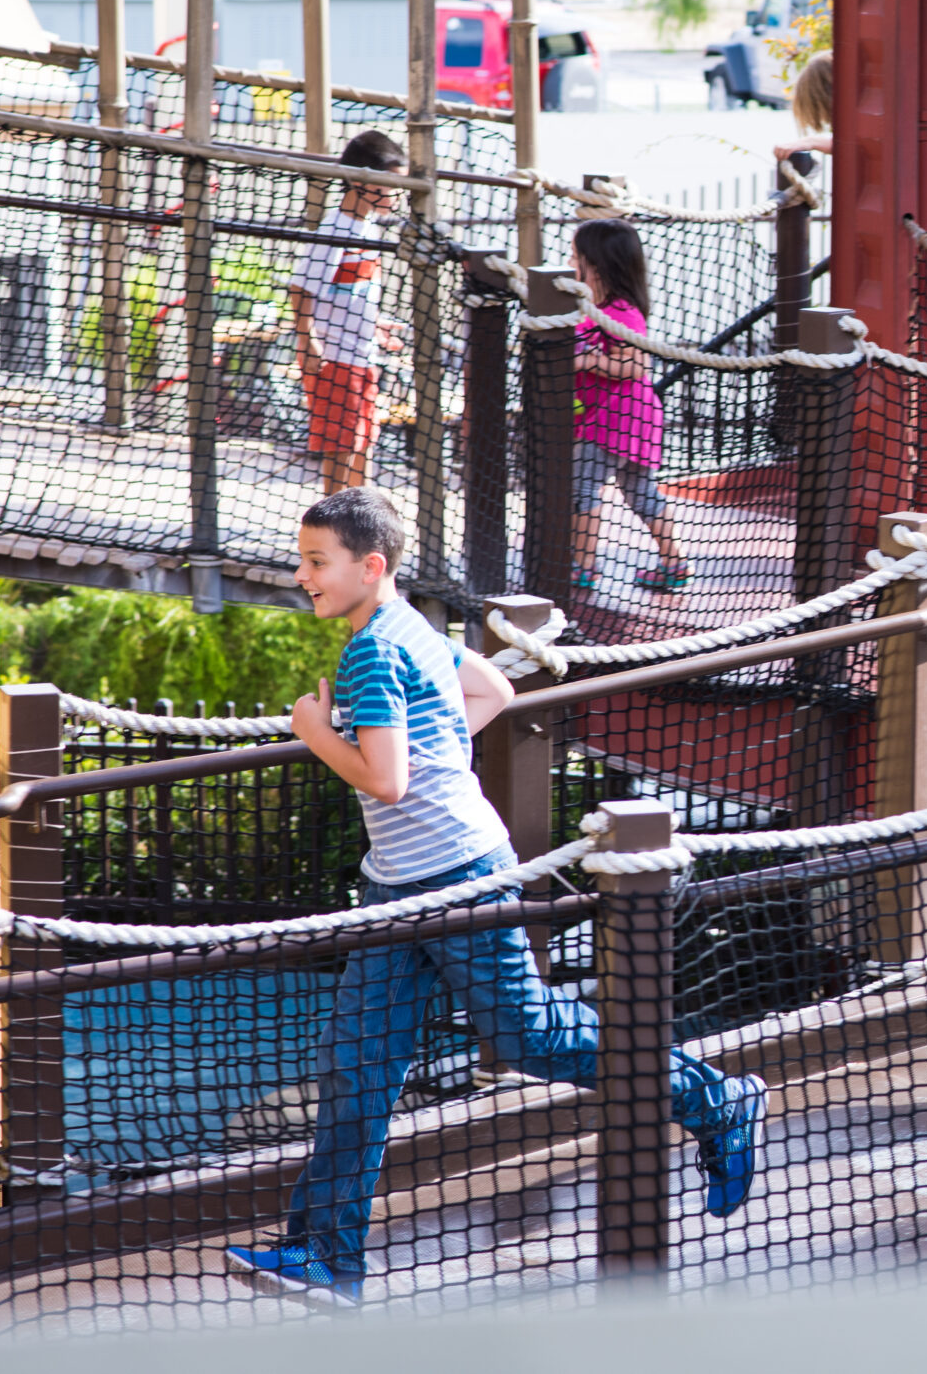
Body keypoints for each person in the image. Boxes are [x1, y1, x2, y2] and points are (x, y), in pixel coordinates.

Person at [224, 489, 764, 1308]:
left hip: (457, 875)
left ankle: (714, 1096)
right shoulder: (413, 630)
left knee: (528, 1033)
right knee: (357, 1068)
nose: (302, 576)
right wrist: (433, 749)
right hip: (398, 885)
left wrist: (313, 730)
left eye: (315, 561)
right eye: (303, 559)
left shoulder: (371, 651)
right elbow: (493, 694)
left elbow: (386, 777)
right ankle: (325, 1255)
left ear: (370, 566)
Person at [570, 218, 688, 594]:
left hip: (615, 418)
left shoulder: (620, 312)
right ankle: (673, 564)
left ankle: (583, 566)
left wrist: (587, 361)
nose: (570, 264)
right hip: (631, 418)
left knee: (582, 488)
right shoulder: (595, 308)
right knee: (641, 494)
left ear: (598, 267)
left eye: (576, 258)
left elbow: (634, 365)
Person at [290, 130, 411, 494]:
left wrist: (374, 325)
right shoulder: (336, 227)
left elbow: (347, 292)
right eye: (390, 183)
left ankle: (362, 522)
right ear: (361, 180)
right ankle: (336, 527)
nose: (397, 193)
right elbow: (302, 288)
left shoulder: (368, 226)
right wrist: (307, 342)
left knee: (363, 443)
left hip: (362, 357)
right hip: (336, 361)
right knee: (342, 448)